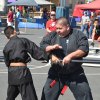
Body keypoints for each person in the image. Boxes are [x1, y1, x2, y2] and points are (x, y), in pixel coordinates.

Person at [40, 17, 93, 100]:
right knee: (47, 95)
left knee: (86, 95)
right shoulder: (52, 35)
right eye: (56, 28)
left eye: (60, 28)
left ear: (67, 27)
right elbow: (42, 46)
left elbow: (84, 49)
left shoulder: (78, 34)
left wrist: (70, 56)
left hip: (75, 72)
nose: (57, 30)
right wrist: (51, 52)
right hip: (56, 72)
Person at [3, 26, 46, 100]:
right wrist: (49, 56)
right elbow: (36, 52)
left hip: (12, 73)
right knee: (29, 97)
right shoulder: (23, 41)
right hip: (22, 72)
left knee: (10, 97)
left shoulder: (6, 46)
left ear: (7, 36)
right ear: (15, 32)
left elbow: (7, 63)